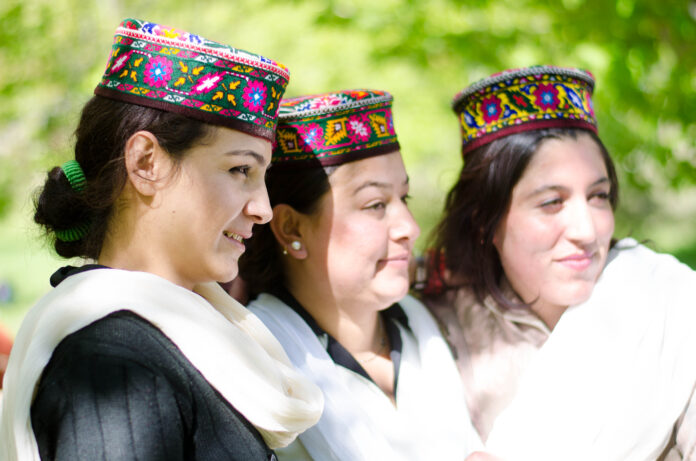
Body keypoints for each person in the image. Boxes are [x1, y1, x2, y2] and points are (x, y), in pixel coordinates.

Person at [0, 18, 323, 461]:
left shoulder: (193, 333)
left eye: (261, 176)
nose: (263, 208)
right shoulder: (114, 359)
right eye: (240, 170)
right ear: (146, 162)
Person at [419, 65, 696, 460]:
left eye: (598, 196)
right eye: (552, 202)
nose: (586, 230)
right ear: (485, 221)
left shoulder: (667, 302)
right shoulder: (433, 326)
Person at [239, 89, 483, 460]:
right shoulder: (252, 364)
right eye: (375, 205)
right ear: (291, 228)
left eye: (405, 199)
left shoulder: (423, 327)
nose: (409, 227)